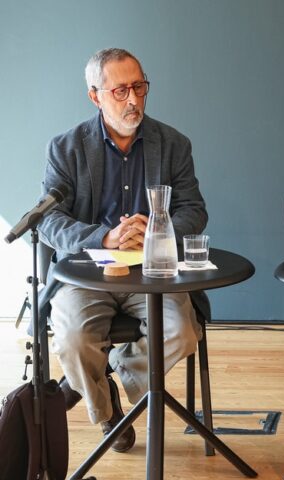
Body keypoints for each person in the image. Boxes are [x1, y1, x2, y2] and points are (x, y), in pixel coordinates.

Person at [37, 48, 208, 452]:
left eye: (139, 87)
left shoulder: (173, 144)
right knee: (75, 339)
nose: (133, 99)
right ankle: (108, 412)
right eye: (120, 91)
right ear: (95, 96)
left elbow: (194, 211)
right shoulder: (66, 148)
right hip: (87, 273)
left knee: (182, 332)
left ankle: (114, 373)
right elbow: (48, 221)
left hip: (154, 271)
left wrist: (156, 232)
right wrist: (104, 238)